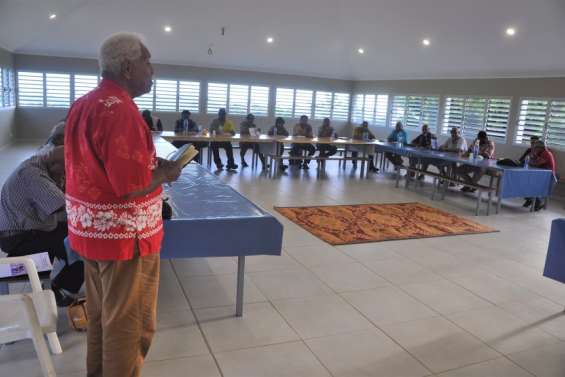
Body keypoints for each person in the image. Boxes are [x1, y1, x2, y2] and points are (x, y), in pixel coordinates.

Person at [65, 32, 182, 377]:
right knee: (129, 328)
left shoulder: (85, 103)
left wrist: (150, 169)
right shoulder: (122, 112)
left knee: (102, 319)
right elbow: (128, 187)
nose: (152, 69)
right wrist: (167, 174)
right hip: (124, 240)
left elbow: (95, 169)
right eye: (148, 61)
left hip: (90, 233)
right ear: (129, 67)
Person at [0, 146, 83, 307]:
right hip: (17, 237)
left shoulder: (43, 162)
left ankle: (64, 281)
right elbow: (64, 206)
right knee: (82, 242)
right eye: (65, 172)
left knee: (77, 235)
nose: (66, 176)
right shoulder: (33, 175)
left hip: (31, 226)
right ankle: (64, 289)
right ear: (54, 166)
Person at [523, 141, 556, 211]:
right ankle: (529, 199)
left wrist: (530, 161)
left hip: (548, 176)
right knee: (526, 180)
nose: (534, 149)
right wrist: (532, 157)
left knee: (531, 183)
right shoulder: (540, 153)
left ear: (541, 148)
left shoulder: (546, 153)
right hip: (542, 174)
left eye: (536, 148)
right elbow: (532, 160)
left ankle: (537, 202)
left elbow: (537, 163)